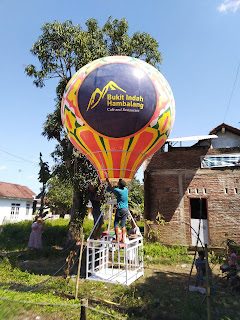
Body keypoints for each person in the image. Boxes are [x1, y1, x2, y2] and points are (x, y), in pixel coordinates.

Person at [106, 178, 128, 243]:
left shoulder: (118, 190)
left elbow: (111, 188)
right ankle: (123, 239)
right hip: (126, 209)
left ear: (119, 185)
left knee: (116, 223)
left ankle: (117, 239)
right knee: (123, 224)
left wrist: (108, 181)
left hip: (120, 209)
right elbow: (117, 194)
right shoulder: (125, 190)